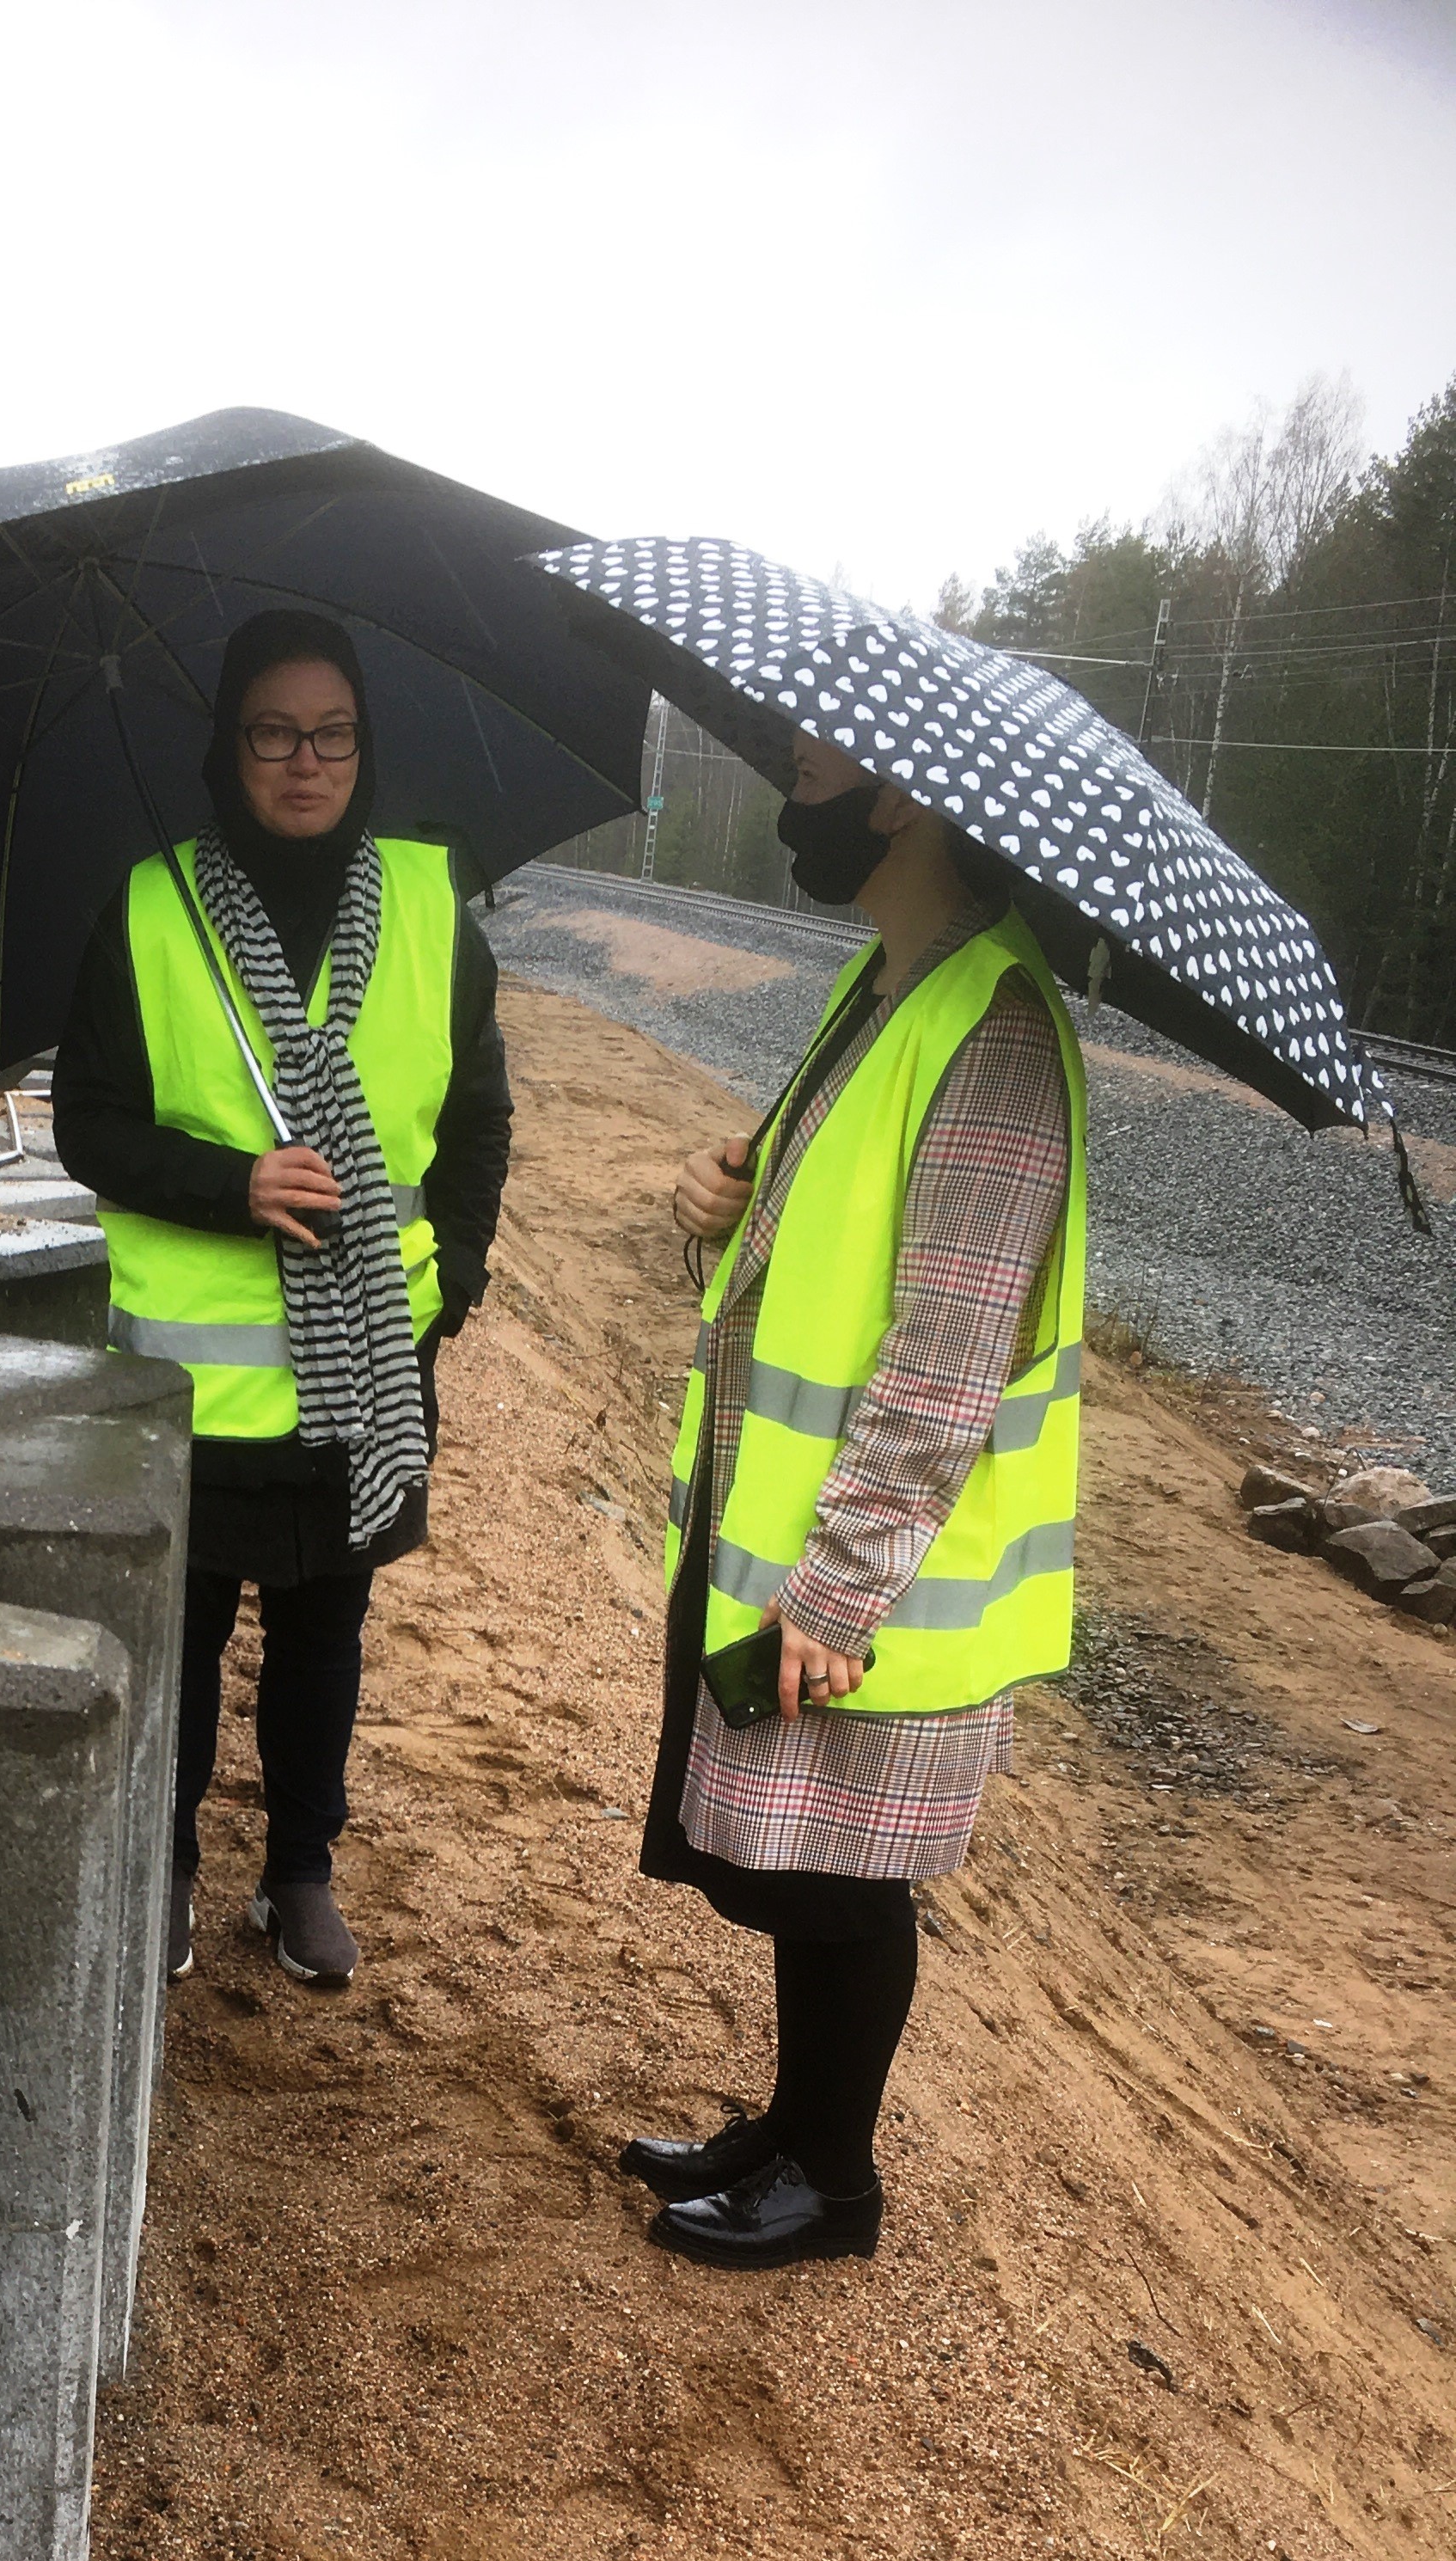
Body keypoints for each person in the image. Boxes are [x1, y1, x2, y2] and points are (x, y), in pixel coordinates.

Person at [624, 726, 1086, 2265]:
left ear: (900, 799)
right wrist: (722, 1204)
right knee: (805, 1861)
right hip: (805, 1538)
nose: (791, 796)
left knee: (849, 1882)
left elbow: (949, 1357)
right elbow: (831, 1248)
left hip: (877, 1577)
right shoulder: (884, 987)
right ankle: (792, 2125)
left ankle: (834, 2181)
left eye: (814, 776)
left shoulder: (992, 1026)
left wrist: (837, 1590)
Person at [54, 610, 511, 1988]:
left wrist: (453, 1278)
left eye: (333, 734)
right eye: (273, 733)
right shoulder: (153, 910)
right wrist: (233, 1183)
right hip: (196, 1384)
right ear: (229, 746)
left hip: (367, 1364)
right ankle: (172, 1864)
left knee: (326, 1637)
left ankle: (300, 1871)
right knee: (185, 1641)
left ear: (364, 749)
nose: (305, 762)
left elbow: (478, 1122)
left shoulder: (432, 912)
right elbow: (88, 1124)